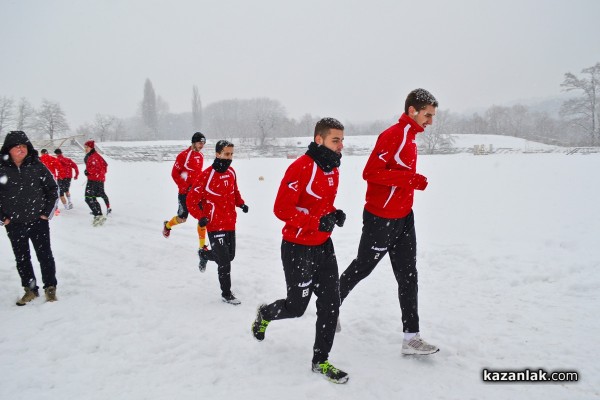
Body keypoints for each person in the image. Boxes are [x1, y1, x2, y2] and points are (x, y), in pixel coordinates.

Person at [338, 88, 439, 356]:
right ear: (412, 111)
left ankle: (411, 338)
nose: (430, 121)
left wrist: (408, 187)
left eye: (432, 116)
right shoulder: (393, 135)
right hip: (380, 218)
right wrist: (411, 179)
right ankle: (330, 305)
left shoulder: (412, 138)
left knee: (408, 276)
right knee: (362, 268)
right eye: (427, 115)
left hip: (405, 217)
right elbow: (370, 172)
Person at [251, 118, 349, 384]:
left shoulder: (333, 169)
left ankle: (321, 361)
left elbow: (318, 203)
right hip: (297, 248)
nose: (341, 146)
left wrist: (332, 214)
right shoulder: (300, 168)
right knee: (296, 307)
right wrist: (316, 221)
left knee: (331, 304)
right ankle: (265, 314)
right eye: (335, 140)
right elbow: (281, 209)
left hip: (324, 247)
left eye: (342, 140)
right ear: (319, 140)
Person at [0, 131, 59, 305]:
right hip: (14, 224)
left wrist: (45, 214)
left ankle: (50, 288)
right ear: (8, 150)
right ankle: (30, 289)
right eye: (17, 146)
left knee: (45, 255)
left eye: (24, 146)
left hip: (37, 222)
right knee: (22, 258)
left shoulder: (37, 166)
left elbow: (52, 190)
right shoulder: (1, 169)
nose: (21, 149)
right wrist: (4, 218)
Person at [186, 140, 248, 305]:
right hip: (214, 224)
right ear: (218, 154)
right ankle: (226, 294)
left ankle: (204, 254)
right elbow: (191, 200)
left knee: (230, 256)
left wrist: (240, 203)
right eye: (227, 154)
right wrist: (200, 216)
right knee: (225, 262)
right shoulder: (206, 175)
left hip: (230, 222)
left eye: (232, 154)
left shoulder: (232, 172)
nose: (230, 158)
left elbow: (234, 191)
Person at [162, 132, 207, 267]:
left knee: (202, 217)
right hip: (184, 193)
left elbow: (198, 174)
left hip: (197, 193)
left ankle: (202, 247)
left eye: (203, 143)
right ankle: (167, 226)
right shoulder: (183, 156)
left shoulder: (200, 156)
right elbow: (175, 174)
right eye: (200, 143)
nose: (202, 146)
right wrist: (185, 186)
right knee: (182, 218)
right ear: (193, 142)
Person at [83, 140, 110, 226]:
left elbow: (98, 168)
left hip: (94, 180)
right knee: (93, 198)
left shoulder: (94, 157)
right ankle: (99, 216)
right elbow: (105, 165)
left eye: (87, 147)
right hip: (97, 179)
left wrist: (88, 172)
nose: (85, 149)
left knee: (88, 198)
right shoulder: (94, 155)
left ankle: (98, 215)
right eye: (85, 147)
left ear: (91, 147)